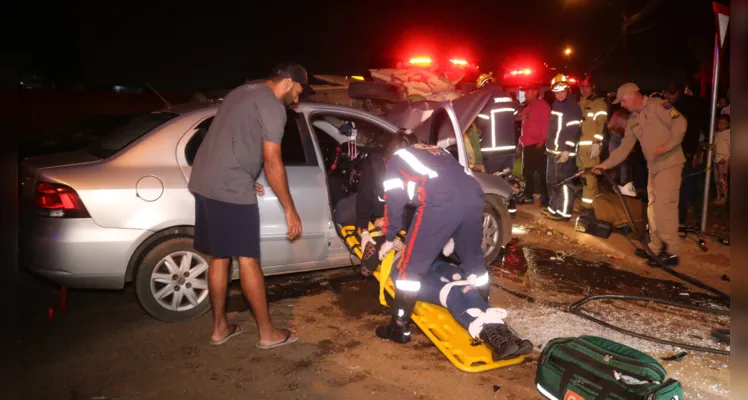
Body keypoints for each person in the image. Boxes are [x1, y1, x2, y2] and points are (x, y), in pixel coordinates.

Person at [188, 63, 314, 348]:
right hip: (229, 186)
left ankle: (220, 327)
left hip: (205, 179)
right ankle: (267, 333)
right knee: (247, 259)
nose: (297, 99)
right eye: (297, 91)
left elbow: (233, 137)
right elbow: (273, 162)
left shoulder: (243, 91)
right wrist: (289, 208)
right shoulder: (273, 106)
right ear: (287, 82)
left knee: (220, 256)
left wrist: (246, 175)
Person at [375, 132, 491, 343]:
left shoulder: (397, 160)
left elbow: (394, 201)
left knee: (408, 269)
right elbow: (455, 180)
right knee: (474, 260)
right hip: (474, 195)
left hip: (439, 204)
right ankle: (485, 309)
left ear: (390, 150)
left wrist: (390, 237)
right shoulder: (438, 150)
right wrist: (451, 233)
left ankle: (399, 328)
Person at [593, 83, 687, 267]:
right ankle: (655, 247)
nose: (622, 105)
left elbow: (680, 122)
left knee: (664, 207)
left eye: (624, 100)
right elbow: (625, 147)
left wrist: (668, 146)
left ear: (633, 95)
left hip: (670, 163)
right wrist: (604, 165)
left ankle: (671, 252)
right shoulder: (633, 119)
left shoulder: (659, 105)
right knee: (652, 208)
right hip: (653, 167)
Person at [663, 83, 708, 225]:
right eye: (669, 97)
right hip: (666, 152)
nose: (672, 99)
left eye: (674, 96)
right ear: (664, 93)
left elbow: (693, 130)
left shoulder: (689, 106)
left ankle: (681, 218)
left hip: (684, 151)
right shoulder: (661, 105)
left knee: (684, 186)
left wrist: (692, 152)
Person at [541, 74, 583, 222]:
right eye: (556, 91)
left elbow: (573, 131)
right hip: (552, 151)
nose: (559, 94)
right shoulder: (556, 105)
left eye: (562, 91)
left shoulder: (573, 108)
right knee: (552, 181)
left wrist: (567, 150)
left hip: (563, 153)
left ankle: (564, 212)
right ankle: (554, 207)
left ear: (567, 90)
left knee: (563, 183)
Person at [475, 73, 520, 174]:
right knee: (507, 179)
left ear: (483, 86)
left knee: (493, 182)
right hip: (509, 147)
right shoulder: (508, 97)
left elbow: (481, 123)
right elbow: (515, 113)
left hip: (492, 149)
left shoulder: (486, 101)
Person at [577, 75, 608, 214]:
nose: (583, 89)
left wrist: (596, 143)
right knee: (583, 176)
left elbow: (601, 125)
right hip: (580, 146)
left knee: (590, 176)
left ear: (593, 87)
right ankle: (585, 202)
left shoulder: (599, 103)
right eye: (581, 87)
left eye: (586, 86)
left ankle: (589, 207)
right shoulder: (580, 102)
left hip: (591, 146)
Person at [518, 83, 551, 205]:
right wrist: (520, 142)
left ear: (535, 91)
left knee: (542, 172)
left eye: (527, 92)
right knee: (527, 171)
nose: (525, 94)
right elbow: (524, 127)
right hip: (527, 144)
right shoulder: (528, 107)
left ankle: (546, 197)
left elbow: (546, 125)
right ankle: (528, 195)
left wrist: (542, 141)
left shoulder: (543, 106)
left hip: (537, 144)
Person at [607, 106, 631, 186]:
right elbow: (609, 126)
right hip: (614, 138)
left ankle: (622, 182)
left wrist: (622, 130)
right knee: (613, 159)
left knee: (624, 161)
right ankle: (613, 181)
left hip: (624, 139)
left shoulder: (631, 116)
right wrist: (616, 128)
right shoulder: (616, 114)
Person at [713, 115, 730, 205]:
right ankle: (718, 196)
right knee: (717, 179)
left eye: (724, 124)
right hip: (716, 159)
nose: (722, 125)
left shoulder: (729, 133)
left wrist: (727, 158)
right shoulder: (716, 133)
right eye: (720, 123)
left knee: (722, 180)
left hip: (723, 160)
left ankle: (723, 198)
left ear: (728, 124)